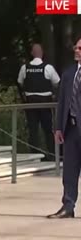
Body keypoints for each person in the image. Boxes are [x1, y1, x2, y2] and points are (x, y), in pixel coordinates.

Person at [47, 37, 81, 219]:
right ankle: (68, 205)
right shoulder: (69, 74)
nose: (77, 51)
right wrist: (58, 127)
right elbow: (62, 102)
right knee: (69, 170)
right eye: (76, 48)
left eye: (80, 48)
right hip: (71, 129)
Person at [17, 43, 60, 158]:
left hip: (30, 102)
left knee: (33, 129)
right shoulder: (48, 67)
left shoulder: (24, 68)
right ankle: (52, 155)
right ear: (42, 53)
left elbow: (20, 82)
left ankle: (34, 155)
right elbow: (56, 82)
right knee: (48, 129)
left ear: (32, 53)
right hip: (45, 102)